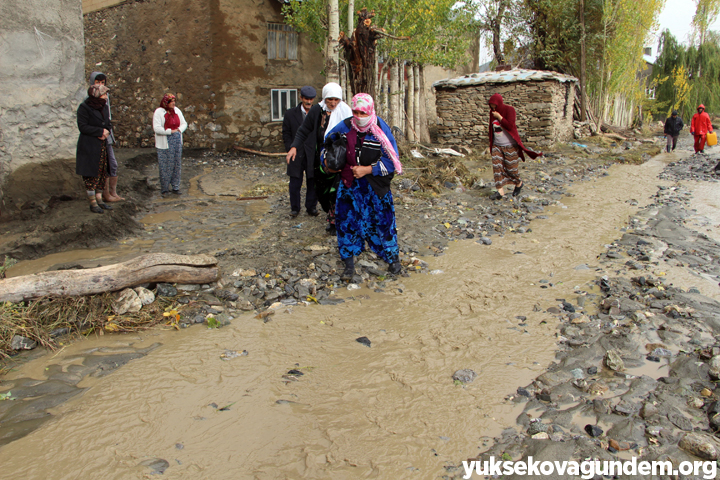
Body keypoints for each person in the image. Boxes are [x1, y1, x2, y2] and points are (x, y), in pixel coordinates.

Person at [324, 93, 403, 280]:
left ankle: (392, 259)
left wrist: (368, 170)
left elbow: (393, 161)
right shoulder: (344, 127)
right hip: (349, 185)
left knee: (383, 222)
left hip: (376, 188)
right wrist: (329, 163)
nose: (359, 117)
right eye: (355, 112)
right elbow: (327, 144)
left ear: (371, 111)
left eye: (363, 112)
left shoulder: (381, 130)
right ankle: (349, 262)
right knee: (346, 222)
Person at [287, 83, 352, 232]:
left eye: (336, 100)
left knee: (337, 189)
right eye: (330, 100)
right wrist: (294, 146)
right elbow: (303, 130)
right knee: (324, 190)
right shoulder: (317, 111)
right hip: (323, 158)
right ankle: (330, 214)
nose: (333, 103)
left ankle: (337, 222)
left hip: (342, 158)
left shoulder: (346, 112)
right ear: (324, 98)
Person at [487, 93, 542, 200]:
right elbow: (491, 129)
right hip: (497, 145)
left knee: (511, 168)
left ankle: (519, 183)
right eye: (491, 105)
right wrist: (491, 144)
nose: (493, 108)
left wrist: (500, 117)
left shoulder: (509, 110)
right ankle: (500, 191)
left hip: (510, 145)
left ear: (500, 103)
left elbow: (510, 126)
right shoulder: (492, 113)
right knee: (497, 167)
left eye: (495, 105)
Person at [76, 84, 114, 214]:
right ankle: (93, 202)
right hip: (89, 146)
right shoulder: (84, 108)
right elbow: (83, 127)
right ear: (96, 95)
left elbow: (108, 124)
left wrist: (107, 132)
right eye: (103, 95)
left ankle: (100, 199)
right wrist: (99, 131)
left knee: (102, 172)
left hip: (101, 145)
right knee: (91, 175)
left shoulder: (105, 108)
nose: (105, 97)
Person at [282, 86, 319, 217]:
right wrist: (290, 148)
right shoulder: (290, 114)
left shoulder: (318, 114)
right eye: (306, 99)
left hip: (312, 154)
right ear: (301, 98)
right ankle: (295, 208)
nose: (308, 102)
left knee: (312, 181)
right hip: (296, 153)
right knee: (295, 182)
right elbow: (286, 133)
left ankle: (311, 207)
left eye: (311, 99)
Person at [89, 72, 124, 202]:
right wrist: (99, 131)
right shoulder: (88, 103)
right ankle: (104, 195)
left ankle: (113, 192)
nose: (101, 85)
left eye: (103, 83)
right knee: (102, 166)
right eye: (98, 82)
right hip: (97, 137)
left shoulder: (106, 98)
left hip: (106, 135)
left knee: (112, 164)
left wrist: (108, 131)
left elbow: (107, 118)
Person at [153, 94, 188, 195]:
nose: (173, 103)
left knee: (176, 163)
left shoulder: (177, 111)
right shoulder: (159, 112)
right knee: (166, 164)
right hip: (165, 141)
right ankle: (165, 188)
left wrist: (179, 130)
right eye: (171, 101)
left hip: (176, 139)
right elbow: (157, 128)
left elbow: (184, 123)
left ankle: (175, 186)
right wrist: (169, 131)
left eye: (174, 101)